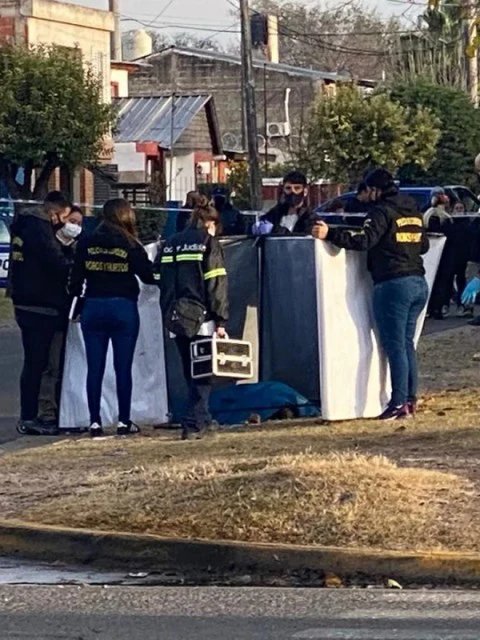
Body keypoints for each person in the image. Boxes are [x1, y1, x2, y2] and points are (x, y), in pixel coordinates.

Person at [312, 168, 429, 421]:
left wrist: (331, 234)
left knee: (394, 346)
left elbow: (364, 241)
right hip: (418, 282)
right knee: (407, 344)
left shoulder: (380, 212)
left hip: (393, 284)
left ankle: (397, 402)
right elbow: (424, 245)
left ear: (375, 190)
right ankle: (410, 400)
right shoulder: (412, 209)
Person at [69, 198, 156, 438]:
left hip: (94, 306)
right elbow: (148, 276)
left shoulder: (87, 241)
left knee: (94, 367)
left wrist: (77, 302)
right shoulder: (130, 243)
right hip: (122, 307)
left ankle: (94, 422)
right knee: (123, 367)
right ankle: (123, 421)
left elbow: (76, 279)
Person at [157, 197, 228, 441]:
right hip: (201, 317)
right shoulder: (208, 242)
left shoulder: (170, 243)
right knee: (203, 371)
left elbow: (157, 275)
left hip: (174, 315)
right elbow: (216, 283)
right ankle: (193, 423)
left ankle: (204, 419)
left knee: (189, 369)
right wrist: (221, 320)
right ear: (210, 223)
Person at [10, 191, 72, 436]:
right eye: (64, 218)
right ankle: (30, 417)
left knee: (35, 363)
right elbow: (55, 263)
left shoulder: (23, 225)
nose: (63, 223)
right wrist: (69, 256)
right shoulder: (40, 229)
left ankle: (33, 414)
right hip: (42, 304)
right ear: (55, 212)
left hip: (25, 302)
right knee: (39, 363)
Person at [37, 205, 85, 427]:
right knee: (52, 365)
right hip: (52, 312)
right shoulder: (49, 246)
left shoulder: (78, 249)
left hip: (72, 314)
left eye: (79, 223)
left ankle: (69, 410)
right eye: (71, 221)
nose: (74, 227)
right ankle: (47, 410)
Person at [252, 170, 313, 235]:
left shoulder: (310, 217)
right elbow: (262, 223)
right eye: (288, 188)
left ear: (305, 191)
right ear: (283, 190)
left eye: (297, 188)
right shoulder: (276, 212)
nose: (292, 192)